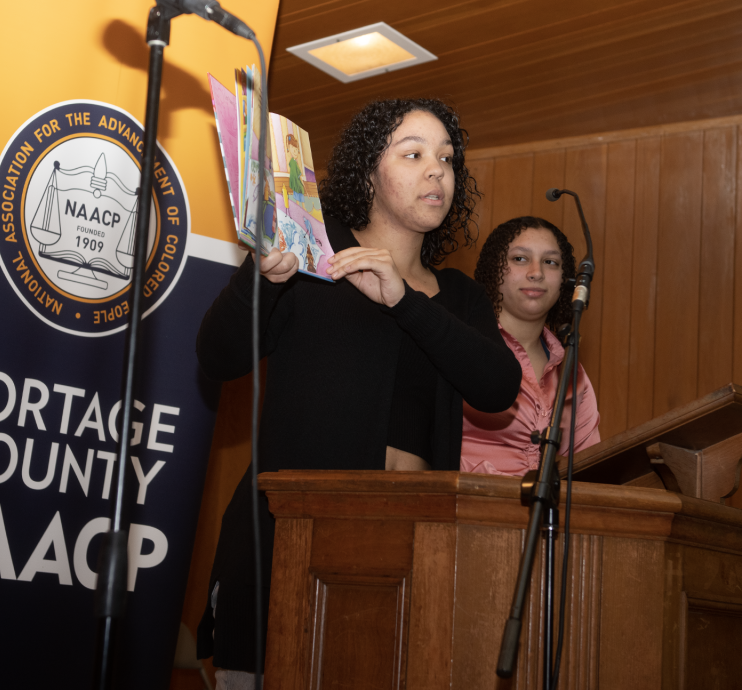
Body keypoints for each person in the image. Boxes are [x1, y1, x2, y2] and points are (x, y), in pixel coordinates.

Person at [195, 99, 522, 687]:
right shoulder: (313, 257)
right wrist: (261, 277)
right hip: (289, 538)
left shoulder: (458, 295)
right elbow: (216, 358)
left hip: (405, 551)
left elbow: (498, 386)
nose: (437, 171)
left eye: (447, 158)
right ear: (369, 172)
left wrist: (404, 299)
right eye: (414, 153)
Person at [461, 216, 601, 476]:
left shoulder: (572, 373)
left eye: (550, 262)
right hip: (464, 506)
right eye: (520, 259)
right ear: (494, 269)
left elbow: (588, 468)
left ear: (565, 280)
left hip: (547, 514)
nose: (536, 272)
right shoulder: (461, 345)